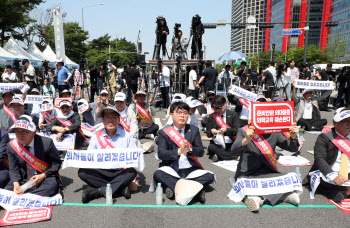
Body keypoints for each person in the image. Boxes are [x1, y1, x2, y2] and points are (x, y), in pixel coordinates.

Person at [152, 102, 215, 203]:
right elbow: (161, 154)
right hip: (172, 168)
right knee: (158, 174)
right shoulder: (164, 132)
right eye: (179, 112)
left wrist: (190, 150)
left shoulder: (193, 130)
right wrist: (178, 151)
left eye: (185, 113)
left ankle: (173, 188)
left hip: (190, 168)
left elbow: (200, 152)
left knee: (210, 176)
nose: (182, 115)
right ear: (171, 114)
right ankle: (196, 191)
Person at [230, 122, 300, 211]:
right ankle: (259, 198)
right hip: (247, 173)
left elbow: (292, 149)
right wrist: (246, 139)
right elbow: (233, 150)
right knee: (247, 184)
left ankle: (285, 196)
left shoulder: (274, 131)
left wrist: (293, 137)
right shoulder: (244, 130)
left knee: (290, 177)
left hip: (267, 172)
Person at [78, 105, 138, 203]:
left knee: (131, 172)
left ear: (119, 119)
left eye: (113, 117)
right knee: (82, 172)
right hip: (101, 171)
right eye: (107, 117)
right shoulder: (96, 136)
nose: (110, 120)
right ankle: (119, 188)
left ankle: (98, 191)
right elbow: (89, 157)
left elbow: (133, 158)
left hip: (119, 172)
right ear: (102, 120)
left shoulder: (127, 136)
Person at [5, 115, 61, 196]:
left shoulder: (46, 143)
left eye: (24, 131)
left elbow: (56, 164)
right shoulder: (11, 146)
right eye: (17, 131)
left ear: (34, 132)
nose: (20, 135)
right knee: (7, 191)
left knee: (51, 187)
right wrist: (15, 183)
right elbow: (13, 168)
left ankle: (24, 197)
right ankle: (32, 196)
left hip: (44, 176)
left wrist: (43, 175)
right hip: (24, 178)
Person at [305, 108, 350, 201]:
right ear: (335, 122)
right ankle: (338, 190)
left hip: (348, 175)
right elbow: (319, 159)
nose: (348, 124)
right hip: (329, 173)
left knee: (341, 190)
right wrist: (333, 176)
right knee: (338, 193)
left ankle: (344, 191)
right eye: (344, 121)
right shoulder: (324, 137)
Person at [206, 95, 240, 162]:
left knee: (242, 148)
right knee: (211, 147)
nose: (218, 110)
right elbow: (208, 133)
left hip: (231, 143)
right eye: (215, 108)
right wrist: (212, 131)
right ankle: (233, 157)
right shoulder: (212, 116)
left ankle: (220, 156)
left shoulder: (233, 114)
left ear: (225, 104)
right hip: (217, 144)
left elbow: (237, 130)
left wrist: (227, 130)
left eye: (220, 107)